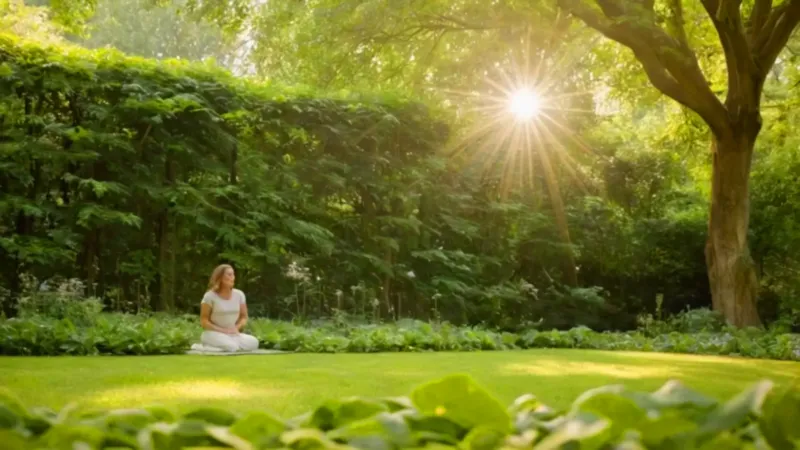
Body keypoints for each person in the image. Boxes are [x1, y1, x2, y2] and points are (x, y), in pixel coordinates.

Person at [199, 264, 259, 352]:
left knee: (254, 342)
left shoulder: (239, 295)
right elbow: (204, 321)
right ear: (220, 277)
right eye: (229, 275)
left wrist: (236, 328)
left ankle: (224, 346)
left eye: (233, 274)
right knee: (232, 347)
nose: (233, 277)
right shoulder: (209, 296)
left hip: (232, 334)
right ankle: (203, 347)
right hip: (213, 333)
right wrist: (223, 330)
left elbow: (244, 317)